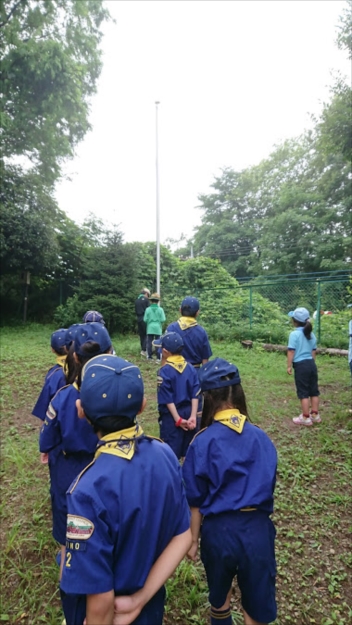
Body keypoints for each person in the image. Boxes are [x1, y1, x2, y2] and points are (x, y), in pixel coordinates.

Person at [60, 354, 192, 625]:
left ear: (80, 409)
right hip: (149, 608)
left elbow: (100, 602)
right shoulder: (165, 454)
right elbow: (183, 536)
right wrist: (141, 598)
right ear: (142, 406)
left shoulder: (86, 491)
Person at [182, 358, 277, 625]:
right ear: (239, 393)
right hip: (257, 531)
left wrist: (192, 540)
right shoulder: (261, 437)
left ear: (206, 399)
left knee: (219, 599)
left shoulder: (201, 442)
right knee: (257, 607)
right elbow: (268, 484)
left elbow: (195, 500)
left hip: (218, 533)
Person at [39, 322, 113, 623]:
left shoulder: (63, 396)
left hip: (68, 472)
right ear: (110, 353)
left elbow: (46, 438)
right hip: (104, 466)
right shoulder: (116, 397)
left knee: (67, 540)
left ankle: (72, 601)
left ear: (74, 358)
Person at [153, 332, 200, 460]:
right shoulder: (191, 369)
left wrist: (178, 419)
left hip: (171, 418)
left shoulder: (164, 372)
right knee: (188, 451)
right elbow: (195, 394)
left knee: (171, 453)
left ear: (165, 351)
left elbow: (168, 399)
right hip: (189, 413)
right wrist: (193, 416)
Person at [166, 296, 212, 423]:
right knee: (196, 405)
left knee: (174, 402)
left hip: (173, 372)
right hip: (195, 372)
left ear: (180, 310)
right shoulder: (201, 331)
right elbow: (205, 360)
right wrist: (204, 380)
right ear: (197, 312)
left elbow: (164, 355)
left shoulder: (171, 328)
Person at [287, 307, 321, 426]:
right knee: (314, 391)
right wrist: (312, 363)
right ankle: (315, 415)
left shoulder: (294, 334)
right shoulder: (311, 335)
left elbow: (291, 351)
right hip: (311, 364)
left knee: (303, 392)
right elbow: (313, 352)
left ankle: (305, 417)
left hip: (301, 366)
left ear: (295, 321)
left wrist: (289, 366)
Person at [32, 328, 68, 422]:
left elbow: (45, 409)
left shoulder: (54, 375)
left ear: (52, 349)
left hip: (60, 427)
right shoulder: (85, 367)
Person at [143, 293, 166, 361]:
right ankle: (158, 357)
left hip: (150, 327)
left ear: (151, 301)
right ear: (158, 301)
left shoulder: (148, 309)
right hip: (158, 328)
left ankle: (149, 356)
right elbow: (163, 319)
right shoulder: (160, 309)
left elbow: (145, 319)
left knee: (149, 342)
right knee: (158, 342)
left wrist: (149, 322)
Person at [135, 288, 150, 356]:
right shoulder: (146, 300)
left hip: (139, 318)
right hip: (145, 318)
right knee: (147, 334)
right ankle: (144, 349)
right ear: (146, 293)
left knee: (141, 335)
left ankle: (142, 349)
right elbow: (149, 310)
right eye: (148, 295)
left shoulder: (137, 300)